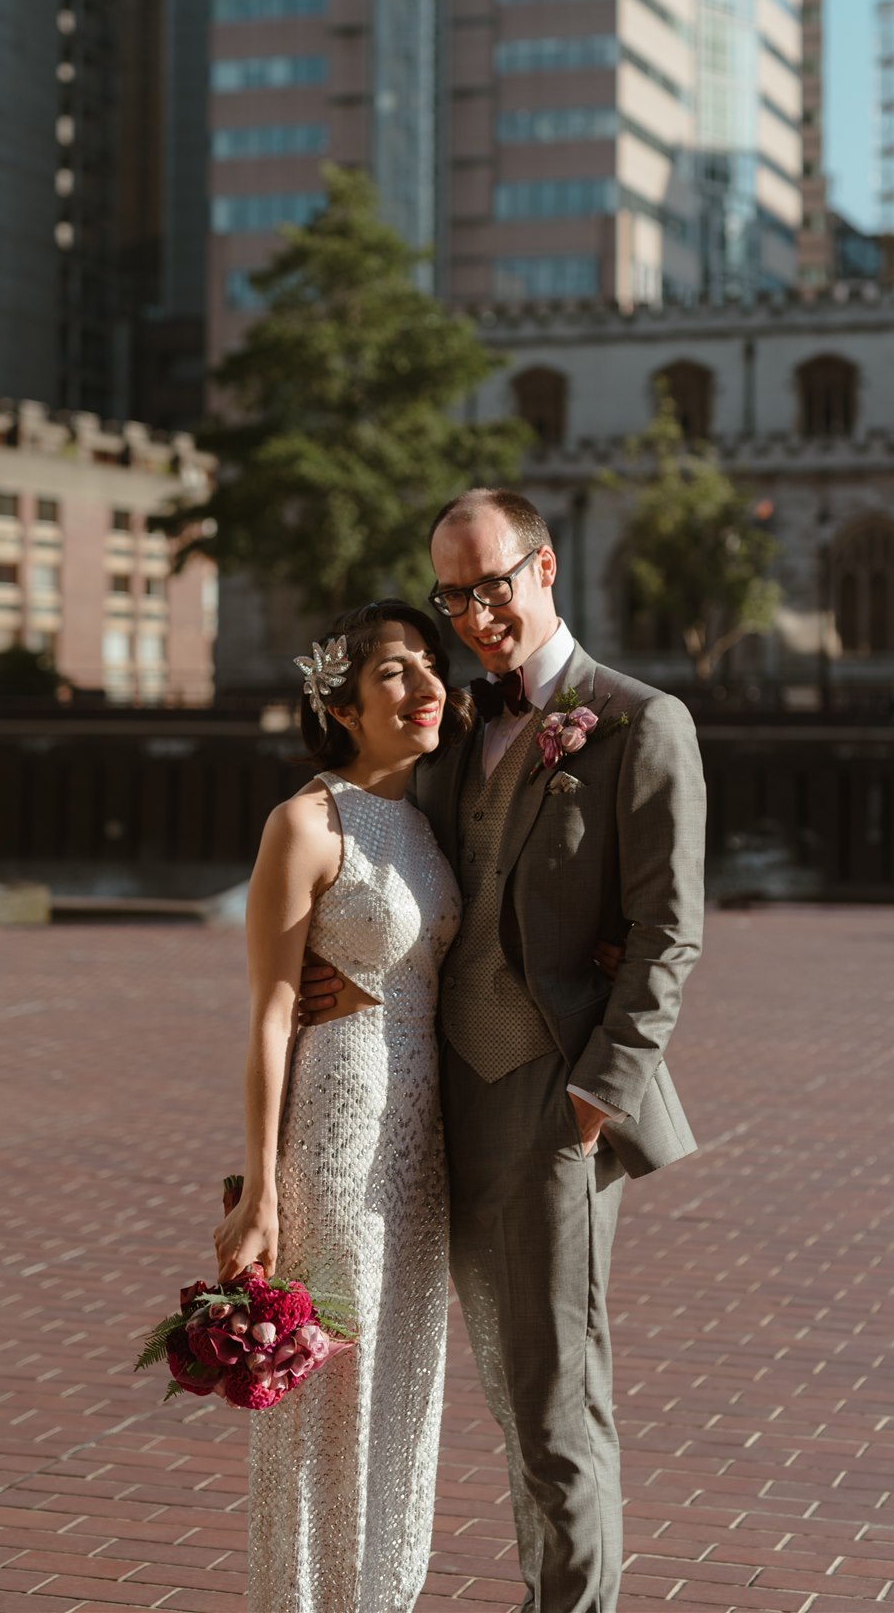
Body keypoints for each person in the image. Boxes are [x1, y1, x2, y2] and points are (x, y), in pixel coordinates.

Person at [303, 489, 706, 1613]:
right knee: (494, 1388)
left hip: (550, 1102)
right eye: (454, 593)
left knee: (555, 1401)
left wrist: (592, 1100)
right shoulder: (458, 722)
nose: (476, 612)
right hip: (436, 1100)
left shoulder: (637, 721)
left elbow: (668, 935)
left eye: (492, 583)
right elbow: (389, 866)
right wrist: (333, 974)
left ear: (544, 567)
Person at [211, 599, 465, 1613]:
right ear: (342, 703)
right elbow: (270, 1014)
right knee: (332, 1391)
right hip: (338, 1128)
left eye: (429, 665)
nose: (425, 684)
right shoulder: (305, 823)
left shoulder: (426, 819)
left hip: (424, 1141)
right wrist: (263, 1192)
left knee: (402, 1379)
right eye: (395, 670)